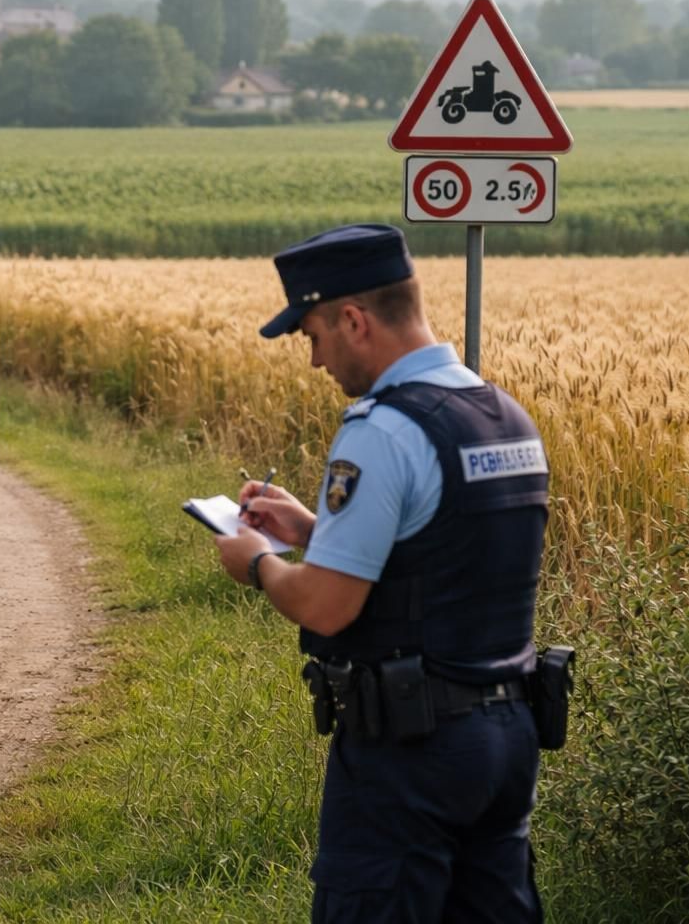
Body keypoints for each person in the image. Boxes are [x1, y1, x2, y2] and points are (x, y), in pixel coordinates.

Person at [212, 223, 549, 922]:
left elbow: (328, 607)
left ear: (354, 320)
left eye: (312, 336)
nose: (314, 361)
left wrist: (261, 564)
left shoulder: (384, 430)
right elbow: (447, 556)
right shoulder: (503, 416)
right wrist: (315, 531)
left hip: (411, 751)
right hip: (506, 737)